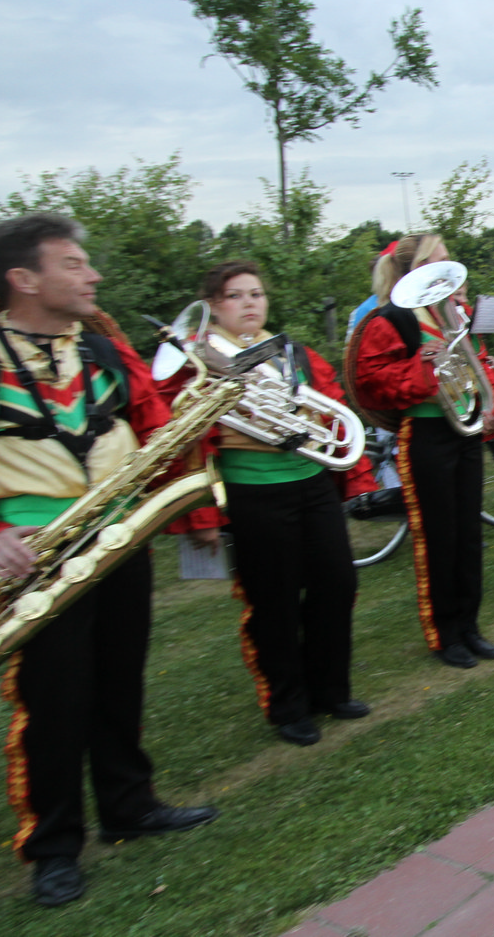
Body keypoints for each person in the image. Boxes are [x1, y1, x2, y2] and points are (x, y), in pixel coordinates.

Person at [0, 213, 218, 907]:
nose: (92, 275)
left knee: (120, 678)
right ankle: (53, 846)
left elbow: (152, 425)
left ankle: (130, 803)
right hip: (38, 552)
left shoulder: (99, 349)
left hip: (120, 535)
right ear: (23, 278)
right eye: (73, 264)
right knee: (54, 698)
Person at [166, 261, 376, 747]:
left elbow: (332, 409)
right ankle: (288, 705)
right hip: (253, 491)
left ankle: (330, 690)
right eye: (236, 295)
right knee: (274, 600)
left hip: (312, 481)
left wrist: (357, 478)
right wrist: (201, 516)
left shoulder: (291, 352)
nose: (249, 303)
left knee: (336, 583)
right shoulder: (197, 361)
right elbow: (185, 443)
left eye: (256, 294)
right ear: (213, 306)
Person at [350, 233, 494, 669]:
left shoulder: (454, 312)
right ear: (411, 271)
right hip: (426, 434)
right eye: (434, 262)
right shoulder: (389, 320)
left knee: (468, 534)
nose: (444, 270)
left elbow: (479, 365)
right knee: (438, 536)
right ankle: (445, 634)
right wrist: (423, 364)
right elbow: (371, 383)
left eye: (446, 261)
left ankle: (470, 626)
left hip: (465, 432)